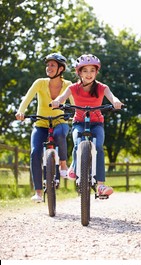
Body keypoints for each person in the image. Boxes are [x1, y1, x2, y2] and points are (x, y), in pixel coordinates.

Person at [51, 54, 123, 197]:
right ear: (79, 72)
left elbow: (112, 96)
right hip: (79, 122)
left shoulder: (102, 87)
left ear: (96, 72)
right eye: (85, 71)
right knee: (78, 142)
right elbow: (62, 97)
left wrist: (116, 102)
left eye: (92, 70)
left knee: (98, 148)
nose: (89, 74)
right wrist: (57, 101)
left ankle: (101, 186)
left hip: (97, 124)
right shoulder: (73, 88)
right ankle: (75, 166)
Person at [15, 53, 72, 202]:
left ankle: (64, 165)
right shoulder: (40, 83)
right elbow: (27, 98)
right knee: (35, 152)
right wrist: (21, 111)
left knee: (60, 135)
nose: (49, 68)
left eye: (52, 65)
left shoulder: (68, 85)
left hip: (60, 122)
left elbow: (75, 103)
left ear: (61, 68)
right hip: (41, 124)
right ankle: (38, 192)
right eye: (47, 65)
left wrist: (76, 115)